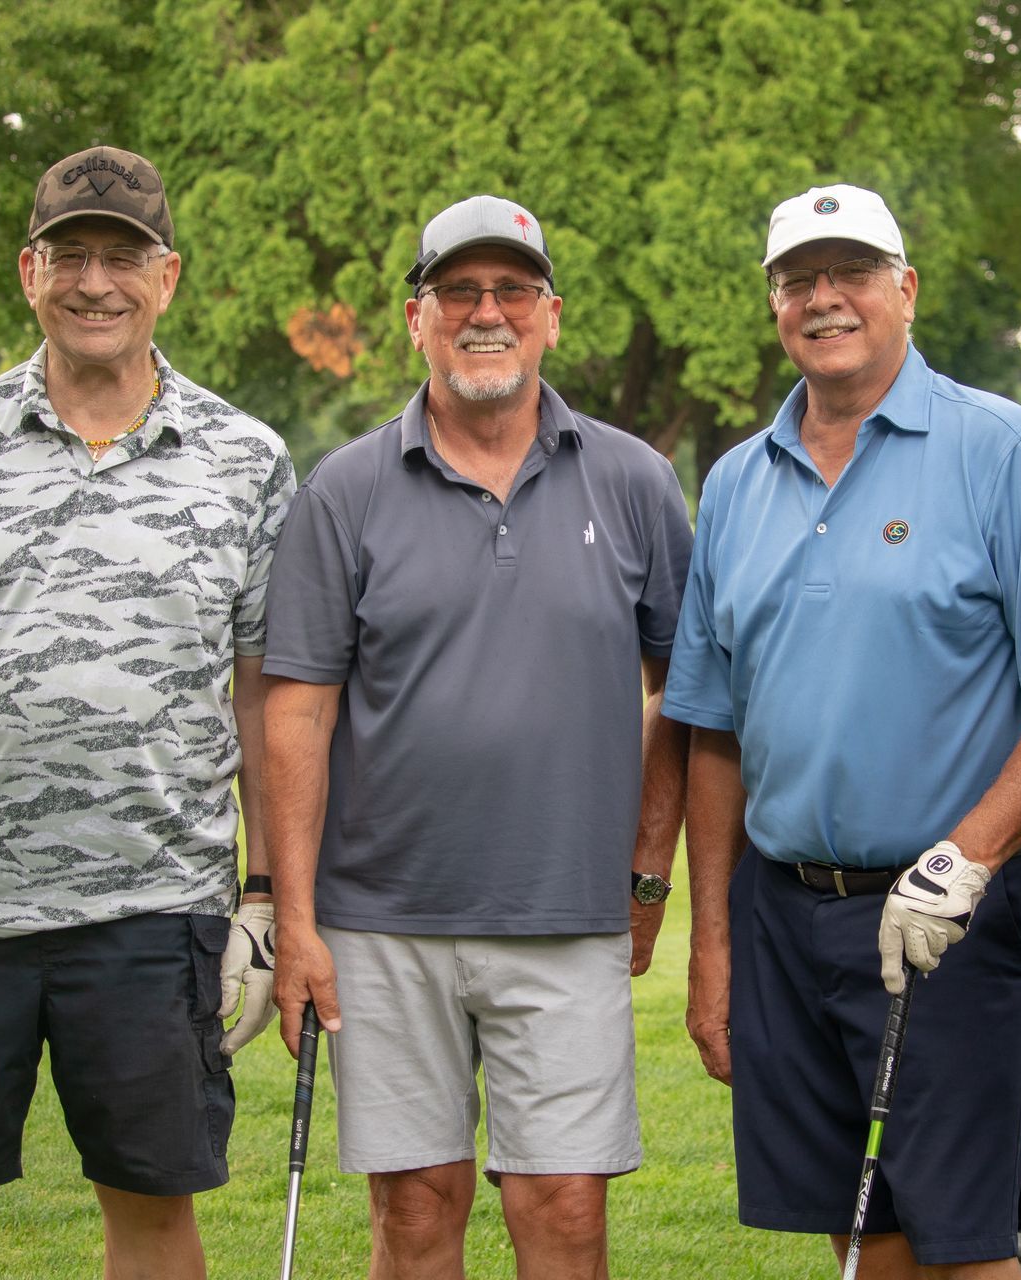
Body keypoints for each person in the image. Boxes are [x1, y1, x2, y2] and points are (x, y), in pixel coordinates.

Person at [0, 144, 294, 1280]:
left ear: (167, 277)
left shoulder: (245, 458)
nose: (97, 283)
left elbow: (263, 695)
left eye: (123, 258)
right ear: (28, 271)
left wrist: (268, 893)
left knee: (154, 1212)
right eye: (70, 255)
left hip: (157, 911)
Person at [662, 184, 1021, 1279]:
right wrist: (713, 945)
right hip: (782, 911)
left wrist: (970, 858)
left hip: (944, 912)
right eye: (798, 279)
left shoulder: (998, 449)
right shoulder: (735, 483)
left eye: (852, 272)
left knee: (963, 1244)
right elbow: (712, 729)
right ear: (774, 305)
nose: (825, 297)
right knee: (858, 1231)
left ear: (905, 289)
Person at [261, 194, 693, 1280]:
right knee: (414, 1211)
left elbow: (681, 695)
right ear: (417, 318)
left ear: (552, 315)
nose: (486, 312)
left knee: (564, 1210)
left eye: (512, 290)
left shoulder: (635, 481)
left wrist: (648, 875)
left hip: (566, 912)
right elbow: (297, 712)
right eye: (458, 291)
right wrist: (295, 921)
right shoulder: (345, 490)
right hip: (381, 919)